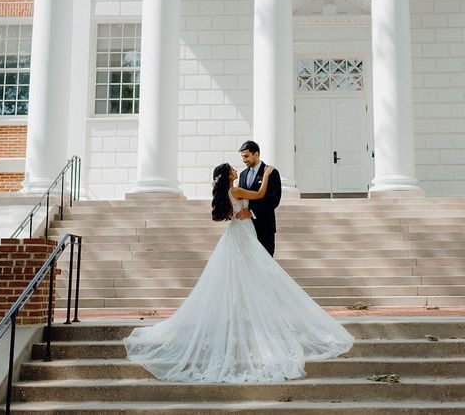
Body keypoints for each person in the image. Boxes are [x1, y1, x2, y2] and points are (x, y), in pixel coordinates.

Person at [123, 162, 353, 383]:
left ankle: (243, 311)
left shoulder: (226, 193)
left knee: (241, 273)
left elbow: (236, 210)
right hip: (244, 233)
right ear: (228, 175)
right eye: (232, 169)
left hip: (236, 232)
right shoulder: (238, 189)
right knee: (254, 271)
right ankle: (251, 312)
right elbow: (261, 194)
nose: (236, 169)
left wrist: (246, 211)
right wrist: (270, 174)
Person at [236, 140, 281, 256]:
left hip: (265, 226)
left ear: (256, 154)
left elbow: (274, 200)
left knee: (266, 262)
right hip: (246, 227)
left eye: (246, 156)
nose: (244, 160)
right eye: (242, 157)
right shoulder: (242, 175)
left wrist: (252, 212)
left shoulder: (271, 172)